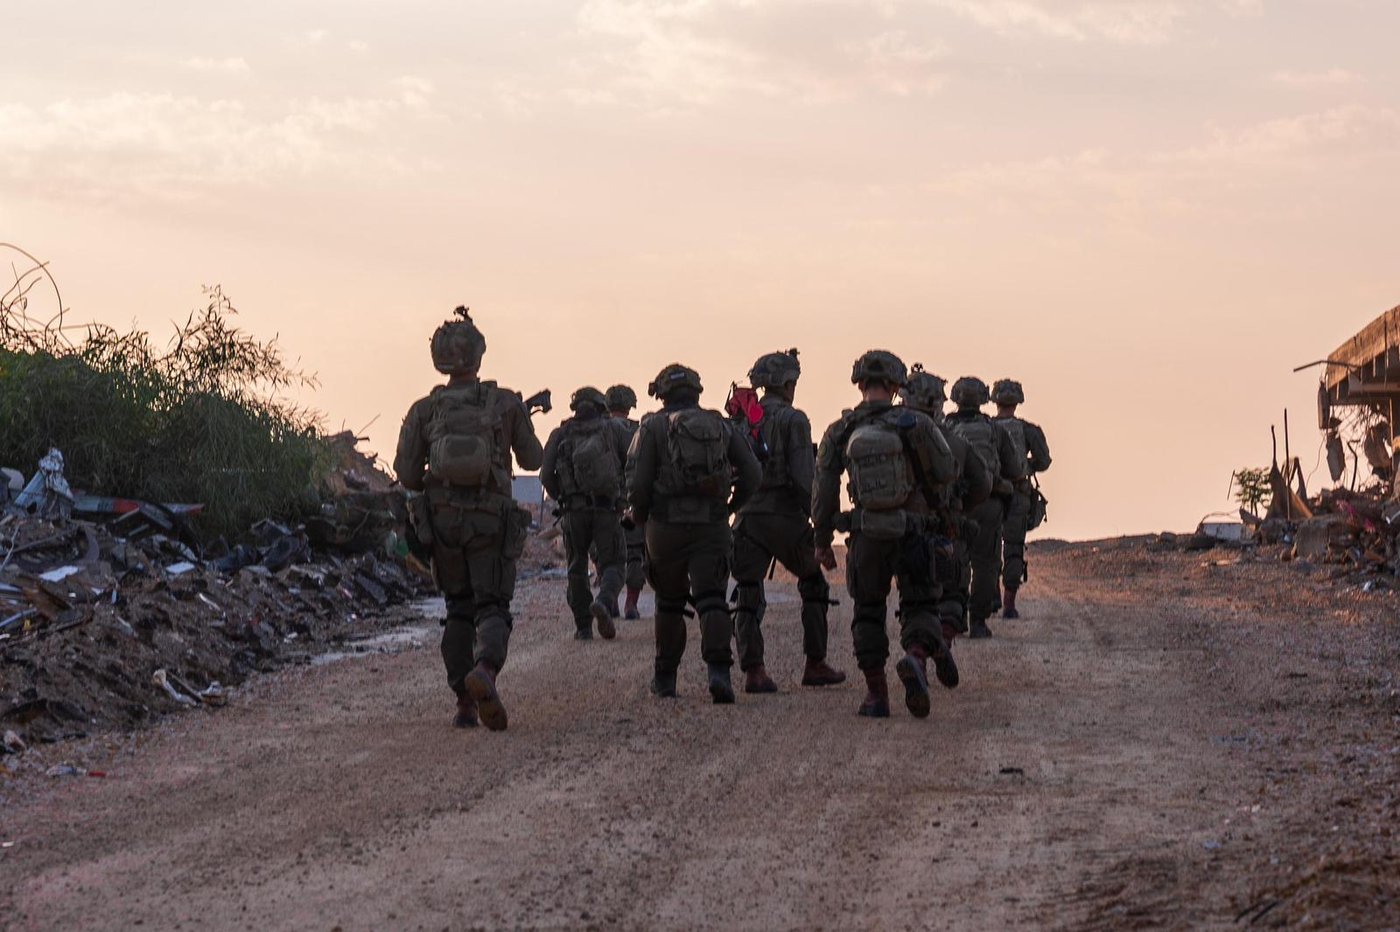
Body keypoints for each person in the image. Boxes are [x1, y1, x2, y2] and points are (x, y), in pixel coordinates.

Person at [394, 307, 543, 732]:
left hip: (442, 522)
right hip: (490, 519)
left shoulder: (424, 410)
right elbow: (533, 459)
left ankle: (463, 702)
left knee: (458, 609)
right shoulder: (505, 403)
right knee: (492, 605)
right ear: (479, 356)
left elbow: (407, 475)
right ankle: (486, 669)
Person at [812, 350, 958, 719]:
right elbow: (946, 471)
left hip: (866, 535)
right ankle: (916, 658)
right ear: (896, 386)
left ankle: (876, 695)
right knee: (921, 604)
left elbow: (824, 490)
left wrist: (822, 540)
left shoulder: (839, 430)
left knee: (867, 611)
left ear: (860, 383)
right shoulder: (917, 423)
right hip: (914, 532)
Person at [626, 363, 761, 703]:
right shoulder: (720, 425)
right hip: (711, 525)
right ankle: (719, 674)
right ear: (697, 392)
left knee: (669, 601)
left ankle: (665, 679)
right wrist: (730, 507)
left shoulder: (652, 427)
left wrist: (639, 516)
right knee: (712, 598)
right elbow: (753, 473)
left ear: (662, 394)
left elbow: (638, 484)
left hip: (664, 527)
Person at [729, 350, 846, 693]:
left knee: (747, 591)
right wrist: (820, 528)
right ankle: (815, 664)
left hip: (746, 518)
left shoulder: (741, 419)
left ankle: (754, 671)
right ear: (786, 383)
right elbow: (804, 479)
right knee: (814, 585)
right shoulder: (794, 420)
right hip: (784, 518)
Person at [899, 366, 991, 648]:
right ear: (938, 403)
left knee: (910, 596)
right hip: (943, 528)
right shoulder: (956, 442)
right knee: (953, 590)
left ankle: (914, 655)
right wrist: (958, 509)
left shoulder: (885, 435)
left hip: (897, 529)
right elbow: (982, 484)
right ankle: (942, 644)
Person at [540, 387, 632, 641]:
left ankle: (583, 627)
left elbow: (546, 475)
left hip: (574, 510)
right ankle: (603, 601)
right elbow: (632, 463)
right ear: (601, 406)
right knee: (614, 563)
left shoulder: (560, 433)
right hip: (606, 509)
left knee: (576, 568)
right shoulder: (614, 430)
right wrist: (624, 498)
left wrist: (563, 497)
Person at [943, 377, 1024, 639]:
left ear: (955, 398)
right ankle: (978, 621)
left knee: (955, 559)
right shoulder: (995, 430)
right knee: (986, 563)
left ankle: (954, 617)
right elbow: (1015, 470)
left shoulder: (943, 428)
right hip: (988, 503)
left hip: (956, 505)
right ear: (984, 399)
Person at [992, 379, 1053, 619]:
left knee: (987, 548)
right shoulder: (1028, 430)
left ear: (995, 400)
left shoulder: (986, 427)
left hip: (989, 493)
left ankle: (990, 597)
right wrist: (1024, 466)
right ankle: (1009, 604)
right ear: (1018, 401)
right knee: (1014, 547)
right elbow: (1044, 461)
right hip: (1018, 494)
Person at [606, 384, 648, 619]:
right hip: (628, 500)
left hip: (601, 502)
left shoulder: (596, 428)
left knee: (606, 554)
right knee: (634, 552)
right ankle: (631, 604)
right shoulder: (636, 430)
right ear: (630, 405)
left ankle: (609, 599)